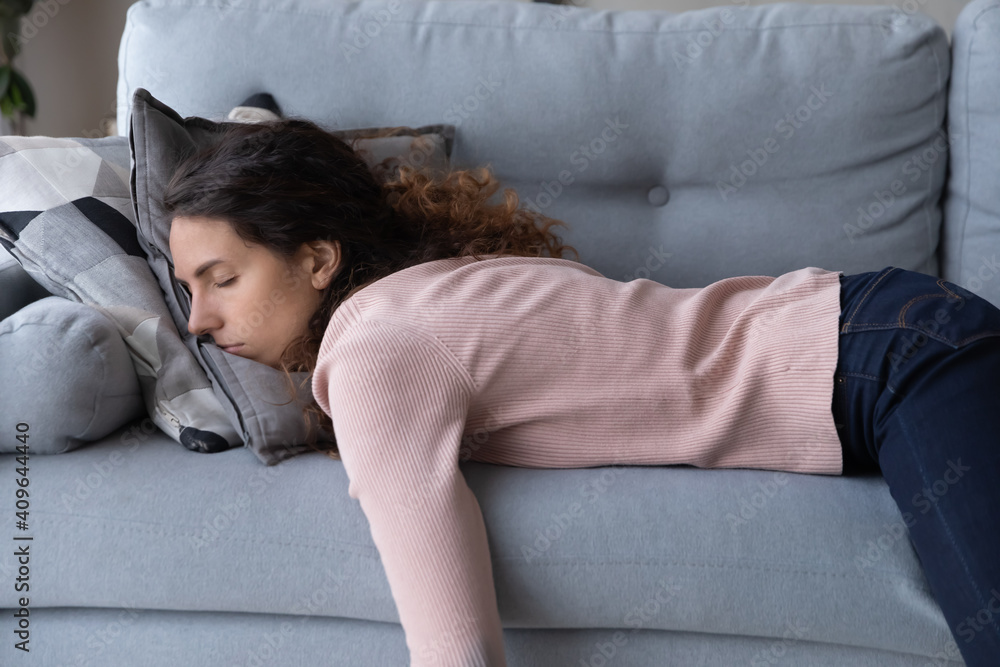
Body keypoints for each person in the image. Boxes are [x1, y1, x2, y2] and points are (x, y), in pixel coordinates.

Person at [163, 117, 1000, 667]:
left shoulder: (376, 351)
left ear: (316, 258)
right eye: (187, 289)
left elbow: (455, 647)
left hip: (895, 360)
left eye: (222, 279)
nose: (197, 320)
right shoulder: (426, 294)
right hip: (890, 332)